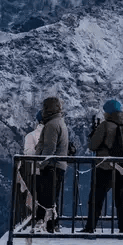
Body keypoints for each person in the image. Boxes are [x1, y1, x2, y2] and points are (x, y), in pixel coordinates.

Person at [82, 99, 123, 234]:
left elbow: (93, 146)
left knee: (96, 197)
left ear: (107, 112)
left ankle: (90, 227)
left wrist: (94, 134)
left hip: (105, 167)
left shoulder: (105, 126)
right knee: (122, 199)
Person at [35, 96, 69, 233]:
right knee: (52, 197)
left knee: (47, 197)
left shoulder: (52, 125)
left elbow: (49, 148)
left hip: (51, 167)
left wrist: (40, 164)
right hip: (59, 165)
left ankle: (48, 227)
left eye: (44, 107)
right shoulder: (59, 122)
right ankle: (53, 225)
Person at [16, 110, 43, 226]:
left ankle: (37, 221)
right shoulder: (53, 136)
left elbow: (28, 154)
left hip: (35, 171)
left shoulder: (30, 136)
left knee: (36, 198)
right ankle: (51, 222)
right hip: (51, 170)